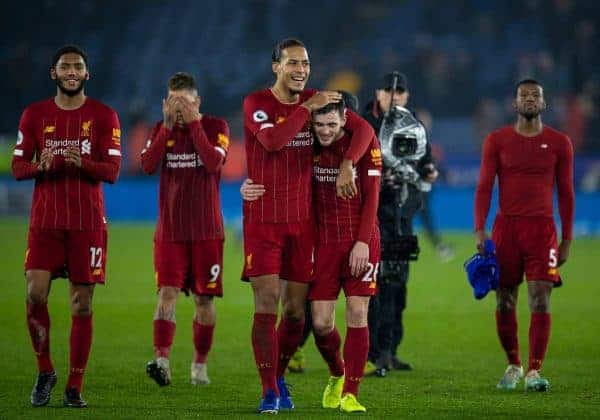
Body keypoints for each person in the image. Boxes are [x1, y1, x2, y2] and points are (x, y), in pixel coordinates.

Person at [242, 38, 374, 413]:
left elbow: (363, 130)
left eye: (305, 63)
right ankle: (270, 390)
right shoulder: (257, 103)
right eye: (293, 63)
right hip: (263, 221)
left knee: (296, 313)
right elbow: (271, 141)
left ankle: (281, 375)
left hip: (303, 226)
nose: (301, 70)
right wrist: (305, 109)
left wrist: (349, 162)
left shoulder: (317, 98)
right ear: (276, 67)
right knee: (266, 303)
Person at [11, 45, 121, 408]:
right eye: (64, 67)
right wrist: (38, 167)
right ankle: (45, 370)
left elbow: (113, 171)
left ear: (87, 74)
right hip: (46, 221)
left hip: (87, 223)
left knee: (82, 304)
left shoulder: (105, 116)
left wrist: (85, 163)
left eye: (77, 67)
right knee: (35, 293)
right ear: (53, 74)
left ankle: (74, 385)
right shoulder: (34, 115)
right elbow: (17, 167)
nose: (71, 71)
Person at [474, 79, 574, 391]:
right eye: (524, 95)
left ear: (544, 103)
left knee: (540, 298)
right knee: (505, 300)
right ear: (515, 103)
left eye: (535, 95)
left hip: (542, 231)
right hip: (506, 230)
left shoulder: (560, 143)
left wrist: (567, 238)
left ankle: (534, 371)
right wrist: (480, 228)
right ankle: (514, 363)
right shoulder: (497, 140)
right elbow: (484, 186)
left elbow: (567, 193)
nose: (530, 99)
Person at [141, 72, 229, 387]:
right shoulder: (161, 129)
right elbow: (147, 166)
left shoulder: (216, 127)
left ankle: (199, 366)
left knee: (204, 301)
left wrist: (193, 124)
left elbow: (212, 163)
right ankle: (162, 360)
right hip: (171, 233)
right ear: (166, 103)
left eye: (186, 101)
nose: (180, 108)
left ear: (197, 101)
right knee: (166, 293)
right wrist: (166, 126)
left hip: (207, 232)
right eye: (174, 102)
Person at [363, 72, 438, 376]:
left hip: (402, 219)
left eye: (400, 92)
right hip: (373, 219)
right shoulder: (362, 123)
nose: (394, 96)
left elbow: (425, 160)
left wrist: (429, 171)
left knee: (398, 288)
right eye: (388, 90)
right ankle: (371, 355)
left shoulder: (413, 126)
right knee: (375, 289)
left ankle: (390, 351)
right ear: (378, 92)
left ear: (406, 96)